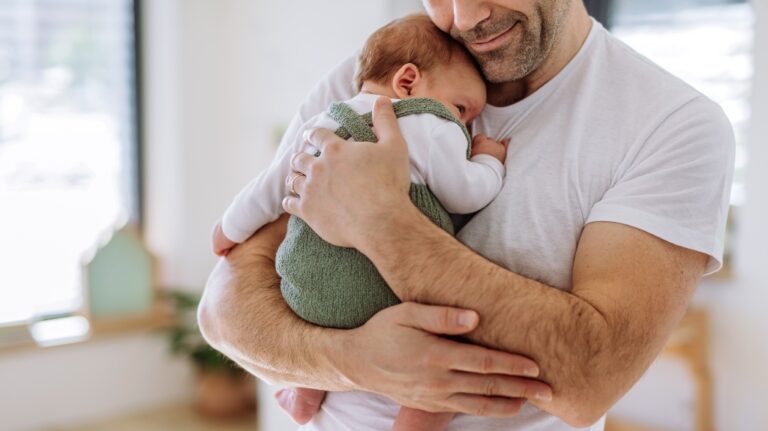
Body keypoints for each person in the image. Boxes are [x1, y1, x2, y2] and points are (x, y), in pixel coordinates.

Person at [199, 1, 735, 430]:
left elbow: (591, 380)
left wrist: (380, 221)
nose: (464, 16)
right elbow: (222, 313)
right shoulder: (386, 69)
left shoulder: (671, 124)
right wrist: (349, 359)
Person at [210, 14, 513, 431]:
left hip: (307, 288)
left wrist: (228, 228)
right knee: (447, 350)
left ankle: (303, 392)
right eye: (461, 109)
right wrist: (488, 161)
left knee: (315, 329)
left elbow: (271, 185)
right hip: (384, 292)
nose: (465, 124)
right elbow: (466, 193)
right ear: (408, 82)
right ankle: (416, 421)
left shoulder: (325, 121)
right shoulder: (427, 122)